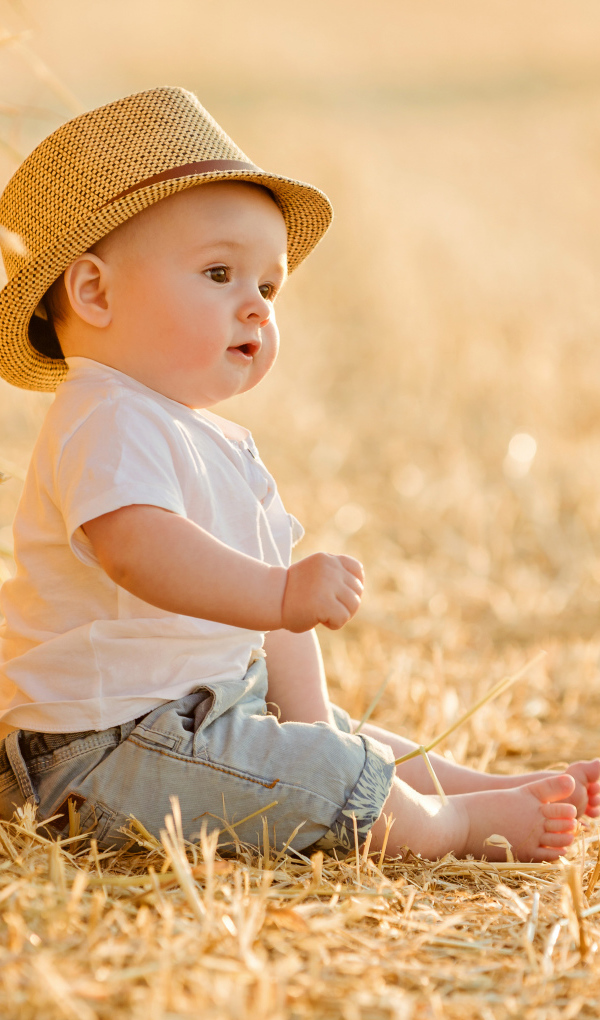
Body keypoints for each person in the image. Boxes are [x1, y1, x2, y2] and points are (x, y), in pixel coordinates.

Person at [0, 87, 597, 864]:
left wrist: (307, 707)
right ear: (94, 292)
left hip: (184, 719)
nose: (256, 307)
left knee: (333, 739)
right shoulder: (105, 417)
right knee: (321, 767)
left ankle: (464, 785)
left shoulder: (205, 437)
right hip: (99, 753)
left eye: (269, 288)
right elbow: (138, 551)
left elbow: (267, 618)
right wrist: (279, 599)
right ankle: (449, 830)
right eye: (220, 274)